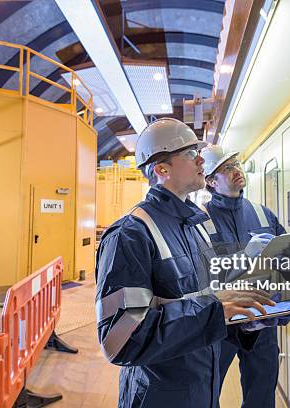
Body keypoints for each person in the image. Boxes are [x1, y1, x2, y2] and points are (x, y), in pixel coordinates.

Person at [95, 118, 276, 408]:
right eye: (191, 153)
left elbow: (210, 304)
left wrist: (244, 322)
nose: (202, 159)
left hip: (204, 388)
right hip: (159, 395)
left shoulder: (196, 227)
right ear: (161, 170)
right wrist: (217, 312)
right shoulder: (130, 234)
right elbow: (120, 340)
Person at [201, 144, 290, 408]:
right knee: (207, 392)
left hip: (263, 319)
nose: (236, 171)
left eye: (236, 165)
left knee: (262, 393)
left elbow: (289, 261)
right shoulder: (200, 220)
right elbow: (198, 275)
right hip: (222, 324)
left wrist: (288, 302)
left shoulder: (264, 214)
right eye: (226, 168)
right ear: (210, 181)